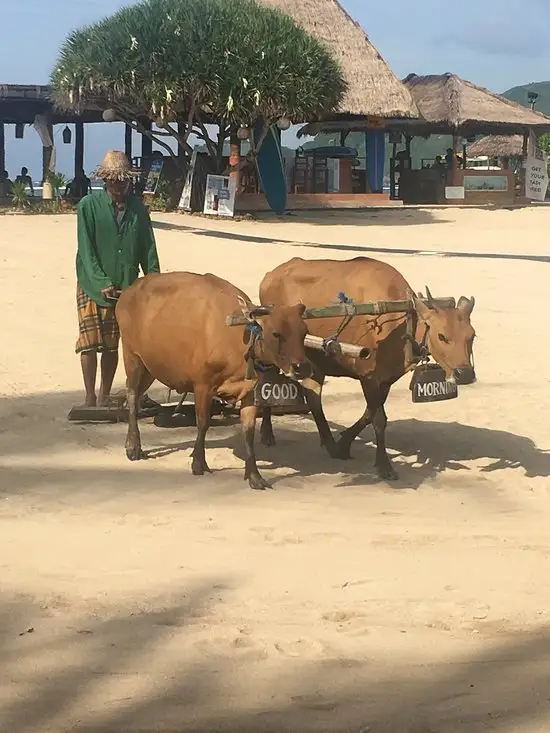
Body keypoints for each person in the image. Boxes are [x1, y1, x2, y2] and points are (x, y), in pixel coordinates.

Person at [75, 150, 161, 407]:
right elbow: (86, 250)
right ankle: (90, 397)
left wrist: (155, 283)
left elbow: (148, 249)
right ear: (104, 180)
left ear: (129, 181)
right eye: (112, 180)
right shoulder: (87, 206)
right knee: (89, 344)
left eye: (122, 181)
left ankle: (104, 395)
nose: (117, 185)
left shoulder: (138, 210)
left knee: (112, 346)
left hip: (125, 286)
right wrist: (101, 281)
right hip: (91, 284)